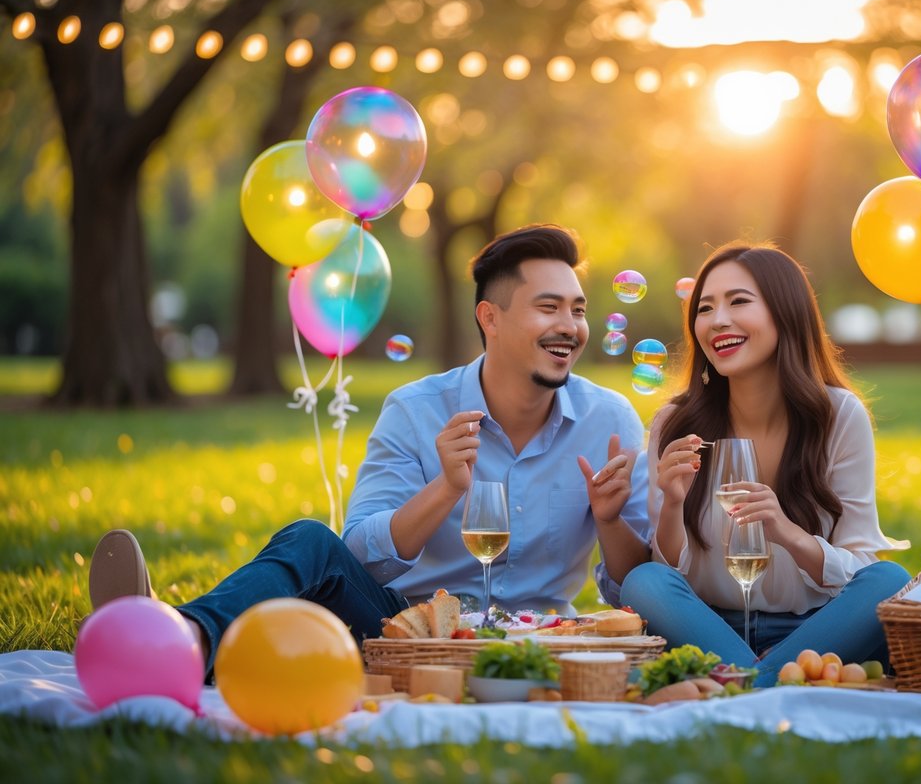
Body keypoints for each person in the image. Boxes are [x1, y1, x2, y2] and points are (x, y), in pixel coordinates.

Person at [88, 224, 651, 676]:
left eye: (577, 309)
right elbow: (358, 550)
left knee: (289, 647)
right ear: (490, 318)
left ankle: (177, 634)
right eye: (549, 307)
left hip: (542, 641)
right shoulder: (416, 409)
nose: (571, 326)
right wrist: (446, 490)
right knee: (310, 541)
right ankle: (175, 640)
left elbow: (635, 584)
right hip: (398, 632)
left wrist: (608, 521)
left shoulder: (610, 419)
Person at [619, 242, 910, 687]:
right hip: (706, 627)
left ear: (784, 313)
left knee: (890, 579)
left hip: (814, 629)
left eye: (739, 302)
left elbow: (860, 564)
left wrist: (788, 534)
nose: (717, 321)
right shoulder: (675, 423)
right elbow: (670, 571)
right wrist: (674, 504)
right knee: (645, 582)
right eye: (705, 308)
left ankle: (741, 682)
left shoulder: (838, 416)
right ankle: (773, 681)